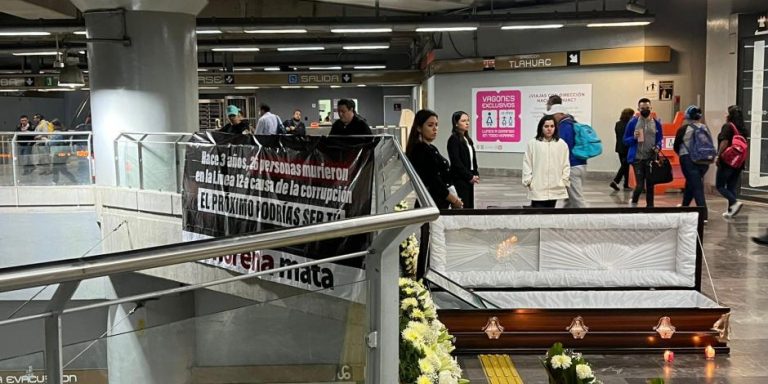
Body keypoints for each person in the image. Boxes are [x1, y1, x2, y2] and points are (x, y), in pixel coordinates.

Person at [405, 109, 462, 210]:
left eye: (436, 125)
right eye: (430, 125)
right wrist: (454, 200)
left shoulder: (431, 148)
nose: (435, 129)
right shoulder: (420, 150)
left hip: (441, 203)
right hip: (433, 205)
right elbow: (433, 182)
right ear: (419, 128)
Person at [673, 105, 713, 221]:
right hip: (704, 161)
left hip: (689, 160)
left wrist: (682, 154)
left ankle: (703, 215)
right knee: (692, 183)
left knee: (697, 187)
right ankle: (685, 206)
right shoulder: (705, 128)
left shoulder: (684, 129)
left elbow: (676, 145)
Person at [522, 115, 570, 208]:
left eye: (552, 126)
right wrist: (528, 181)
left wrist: (564, 180)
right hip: (538, 187)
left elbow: (566, 164)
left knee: (550, 214)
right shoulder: (533, 144)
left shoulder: (561, 144)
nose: (549, 129)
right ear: (541, 127)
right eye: (546, 126)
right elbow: (527, 163)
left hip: (555, 186)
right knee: (537, 214)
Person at [624, 98, 663, 208]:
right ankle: (634, 201)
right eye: (642, 108)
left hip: (650, 158)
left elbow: (660, 138)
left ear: (651, 108)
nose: (645, 110)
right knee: (640, 185)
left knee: (650, 184)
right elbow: (625, 140)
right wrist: (633, 138)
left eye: (647, 108)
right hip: (637, 158)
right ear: (638, 109)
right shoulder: (633, 123)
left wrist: (658, 146)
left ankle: (650, 207)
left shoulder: (656, 123)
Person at [548, 104, 586, 208]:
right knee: (569, 199)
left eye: (553, 115)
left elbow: (561, 146)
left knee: (577, 199)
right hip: (580, 164)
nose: (552, 118)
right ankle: (566, 218)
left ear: (561, 114)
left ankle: (587, 219)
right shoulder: (573, 123)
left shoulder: (564, 126)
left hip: (572, 166)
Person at [716, 105, 747, 218]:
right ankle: (731, 212)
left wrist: (718, 156)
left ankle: (734, 202)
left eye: (727, 113)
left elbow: (724, 142)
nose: (725, 115)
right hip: (738, 163)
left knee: (719, 186)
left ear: (730, 115)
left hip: (727, 161)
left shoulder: (728, 127)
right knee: (731, 186)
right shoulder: (743, 129)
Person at [446, 111, 479, 208]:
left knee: (469, 205)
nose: (467, 123)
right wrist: (469, 176)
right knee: (463, 205)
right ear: (456, 123)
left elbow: (473, 158)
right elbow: (456, 162)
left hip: (469, 177)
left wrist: (475, 173)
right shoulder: (453, 139)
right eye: (463, 121)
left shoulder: (467, 139)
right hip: (459, 178)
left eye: (468, 120)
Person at [610, 108, 634, 191]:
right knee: (625, 166)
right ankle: (615, 181)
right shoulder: (630, 124)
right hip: (627, 147)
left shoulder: (618, 124)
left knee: (625, 166)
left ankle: (626, 184)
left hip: (619, 147)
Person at [48, 119, 77, 185]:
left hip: (59, 153)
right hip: (62, 153)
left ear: (55, 126)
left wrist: (46, 141)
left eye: (51, 125)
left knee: (59, 169)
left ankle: (55, 181)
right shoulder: (61, 131)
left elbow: (51, 143)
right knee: (60, 169)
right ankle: (55, 181)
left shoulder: (58, 133)